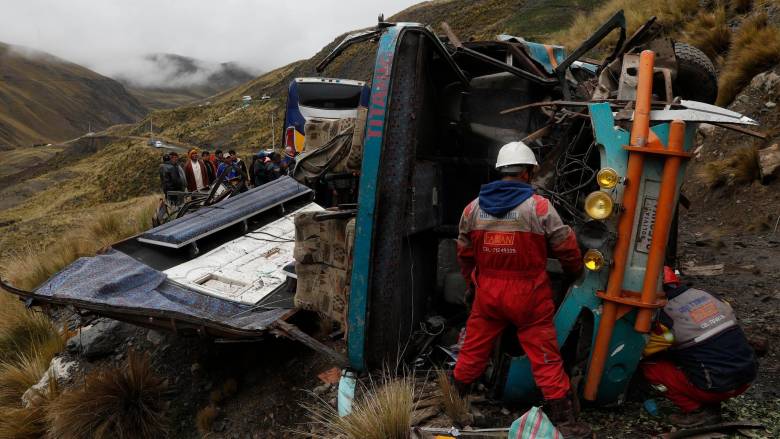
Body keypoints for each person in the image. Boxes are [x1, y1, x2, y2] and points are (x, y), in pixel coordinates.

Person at [453, 141, 590, 438]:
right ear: (527, 173)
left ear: (501, 171)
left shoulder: (472, 209)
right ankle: (565, 421)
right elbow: (565, 244)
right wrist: (574, 272)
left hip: (488, 292)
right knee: (545, 356)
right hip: (528, 294)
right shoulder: (539, 207)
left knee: (473, 349)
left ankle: (454, 401)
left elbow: (464, 252)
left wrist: (472, 285)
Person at [640, 267, 757, 427]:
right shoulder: (708, 295)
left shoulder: (666, 315)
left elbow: (645, 351)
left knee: (651, 368)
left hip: (717, 388)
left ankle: (698, 411)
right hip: (747, 378)